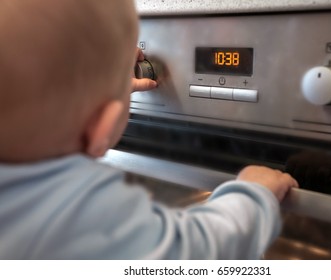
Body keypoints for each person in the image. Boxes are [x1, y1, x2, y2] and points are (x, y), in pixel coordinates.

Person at [0, 0, 298, 259]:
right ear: (100, 128)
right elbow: (197, 254)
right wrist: (252, 195)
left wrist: (99, 91)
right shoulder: (82, 214)